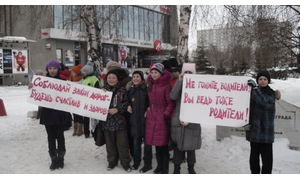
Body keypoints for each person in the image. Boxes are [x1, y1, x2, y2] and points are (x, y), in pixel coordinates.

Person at [32, 60, 70, 170]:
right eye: (50, 68)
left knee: (60, 137)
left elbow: (71, 95)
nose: (52, 70)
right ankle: (54, 159)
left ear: (58, 69)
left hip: (60, 114)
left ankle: (61, 159)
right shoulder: (42, 81)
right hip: (47, 114)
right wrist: (32, 87)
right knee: (51, 138)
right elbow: (36, 94)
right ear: (47, 70)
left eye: (54, 68)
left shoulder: (64, 81)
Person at [246, 70, 281, 174]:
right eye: (260, 79)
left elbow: (263, 101)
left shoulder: (271, 94)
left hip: (266, 133)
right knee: (253, 160)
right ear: (257, 80)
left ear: (268, 81)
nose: (262, 81)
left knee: (267, 161)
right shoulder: (253, 92)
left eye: (265, 79)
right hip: (255, 131)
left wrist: (253, 89)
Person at [170, 63, 202, 174]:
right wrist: (179, 81)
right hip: (179, 119)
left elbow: (202, 103)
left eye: (190, 72)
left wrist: (191, 118)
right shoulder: (179, 83)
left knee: (191, 147)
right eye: (186, 72)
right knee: (178, 146)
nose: (188, 74)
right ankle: (176, 169)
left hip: (192, 120)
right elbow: (173, 96)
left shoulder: (199, 85)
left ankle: (191, 169)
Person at [145, 63, 175, 174]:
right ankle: (159, 166)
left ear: (161, 73)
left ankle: (165, 168)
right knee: (156, 144)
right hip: (152, 117)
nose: (153, 74)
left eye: (156, 72)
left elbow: (171, 103)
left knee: (163, 146)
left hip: (162, 118)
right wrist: (148, 109)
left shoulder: (166, 86)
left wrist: (165, 114)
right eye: (152, 72)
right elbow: (150, 101)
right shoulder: (150, 84)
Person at [101, 70, 132, 172]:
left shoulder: (122, 90)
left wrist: (118, 109)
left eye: (113, 78)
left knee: (122, 144)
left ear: (117, 79)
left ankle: (125, 163)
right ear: (106, 79)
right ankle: (112, 162)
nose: (111, 80)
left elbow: (127, 103)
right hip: (107, 122)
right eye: (109, 78)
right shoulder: (102, 91)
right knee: (110, 145)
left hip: (120, 122)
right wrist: (100, 94)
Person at [127, 71, 149, 171]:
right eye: (134, 77)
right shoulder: (130, 90)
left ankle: (148, 164)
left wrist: (149, 109)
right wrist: (128, 106)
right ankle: (136, 162)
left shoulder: (147, 89)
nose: (135, 78)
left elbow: (152, 102)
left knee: (148, 145)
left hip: (146, 121)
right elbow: (126, 101)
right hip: (135, 121)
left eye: (137, 76)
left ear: (142, 78)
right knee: (136, 144)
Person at [81, 61, 102, 138]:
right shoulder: (84, 79)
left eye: (84, 71)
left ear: (88, 71)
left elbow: (97, 89)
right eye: (83, 71)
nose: (83, 72)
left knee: (93, 119)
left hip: (93, 101)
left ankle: (94, 132)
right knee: (85, 118)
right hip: (85, 101)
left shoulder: (94, 79)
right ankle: (86, 132)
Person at [69, 64, 85, 136]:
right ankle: (75, 128)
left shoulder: (81, 80)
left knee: (79, 115)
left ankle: (80, 129)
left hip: (80, 100)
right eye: (71, 72)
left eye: (73, 72)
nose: (72, 73)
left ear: (77, 73)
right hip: (73, 100)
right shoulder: (71, 80)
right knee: (74, 115)